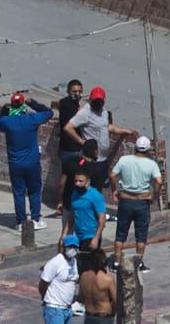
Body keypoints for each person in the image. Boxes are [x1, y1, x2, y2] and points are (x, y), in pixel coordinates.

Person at [0, 91, 53, 230]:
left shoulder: (7, 122)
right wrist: (33, 103)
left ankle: (21, 222)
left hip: (16, 165)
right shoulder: (31, 119)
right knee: (34, 191)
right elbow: (49, 113)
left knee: (19, 193)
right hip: (32, 163)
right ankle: (36, 219)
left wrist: (3, 110)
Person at [63, 86, 135, 194]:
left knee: (98, 186)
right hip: (90, 160)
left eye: (100, 101)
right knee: (86, 187)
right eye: (96, 101)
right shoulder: (85, 113)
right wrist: (81, 141)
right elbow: (68, 127)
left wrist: (123, 131)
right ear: (91, 100)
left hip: (102, 159)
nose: (98, 103)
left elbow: (107, 127)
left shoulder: (104, 112)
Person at [112, 136, 163, 273]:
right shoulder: (151, 164)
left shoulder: (124, 160)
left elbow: (112, 175)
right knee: (141, 235)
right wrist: (155, 196)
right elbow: (158, 181)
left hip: (126, 200)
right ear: (147, 150)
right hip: (142, 202)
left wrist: (114, 190)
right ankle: (139, 263)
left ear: (135, 147)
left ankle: (116, 262)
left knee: (121, 233)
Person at [60, 161, 107, 252]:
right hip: (78, 235)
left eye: (81, 181)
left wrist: (96, 238)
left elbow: (102, 220)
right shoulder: (74, 194)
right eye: (76, 181)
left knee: (88, 264)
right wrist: (64, 234)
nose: (77, 183)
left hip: (90, 235)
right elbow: (71, 216)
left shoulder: (95, 196)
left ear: (88, 181)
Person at [53, 79, 84, 212]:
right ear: (68, 91)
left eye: (79, 91)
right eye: (74, 91)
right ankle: (65, 202)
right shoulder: (70, 106)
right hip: (72, 146)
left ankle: (60, 202)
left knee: (65, 174)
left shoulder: (64, 102)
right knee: (70, 176)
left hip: (64, 146)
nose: (77, 94)